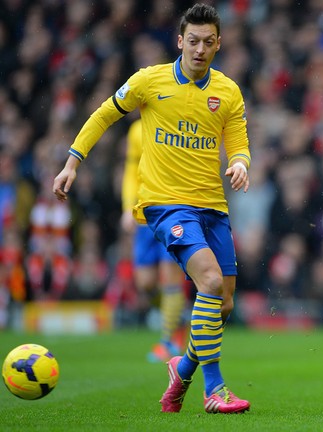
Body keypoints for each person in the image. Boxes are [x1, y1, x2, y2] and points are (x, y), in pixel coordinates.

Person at [53, 4, 251, 414]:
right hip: (166, 206)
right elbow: (105, 114)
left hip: (212, 206)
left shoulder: (227, 91)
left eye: (207, 42)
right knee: (209, 283)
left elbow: (240, 144)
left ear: (219, 43)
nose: (199, 49)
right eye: (192, 41)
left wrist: (239, 163)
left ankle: (182, 368)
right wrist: (73, 162)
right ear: (179, 41)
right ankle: (214, 390)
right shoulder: (149, 80)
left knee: (224, 303)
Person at [121, 118, 188, 363]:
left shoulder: (177, 124)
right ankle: (178, 316)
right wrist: (127, 206)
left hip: (174, 210)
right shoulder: (137, 130)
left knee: (170, 274)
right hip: (145, 211)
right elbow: (130, 171)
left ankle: (168, 341)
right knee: (145, 282)